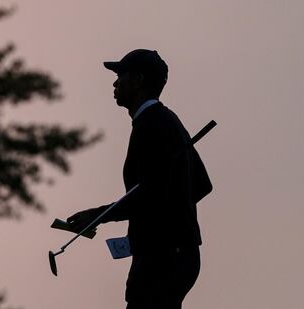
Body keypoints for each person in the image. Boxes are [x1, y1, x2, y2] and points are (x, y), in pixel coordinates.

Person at [67, 49, 212, 309]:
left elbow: (148, 193)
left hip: (163, 258)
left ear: (138, 80)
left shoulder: (152, 124)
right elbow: (200, 185)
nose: (115, 83)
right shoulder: (164, 121)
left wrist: (98, 215)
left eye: (120, 75)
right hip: (176, 254)